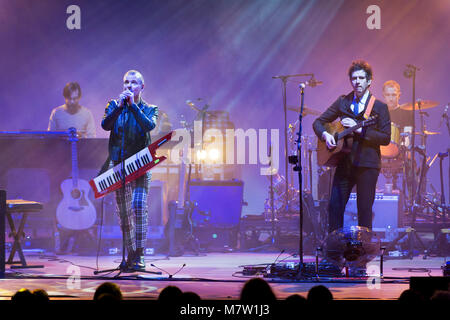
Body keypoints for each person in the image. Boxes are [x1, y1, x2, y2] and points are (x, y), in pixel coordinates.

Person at [313, 60, 391, 235]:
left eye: (361, 78)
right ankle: (334, 252)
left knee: (364, 212)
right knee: (334, 207)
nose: (357, 81)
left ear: (369, 80)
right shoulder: (343, 102)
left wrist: (361, 128)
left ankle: (362, 255)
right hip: (345, 163)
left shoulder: (379, 107)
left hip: (367, 165)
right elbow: (318, 122)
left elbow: (386, 138)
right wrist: (326, 135)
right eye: (354, 78)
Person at [101, 70, 158, 271]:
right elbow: (105, 125)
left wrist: (133, 107)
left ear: (142, 87)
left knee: (138, 204)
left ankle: (140, 253)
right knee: (124, 212)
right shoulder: (113, 105)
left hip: (141, 164)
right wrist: (119, 108)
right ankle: (130, 253)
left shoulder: (150, 108)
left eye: (134, 83)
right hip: (119, 163)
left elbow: (148, 126)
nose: (129, 86)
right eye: (126, 82)